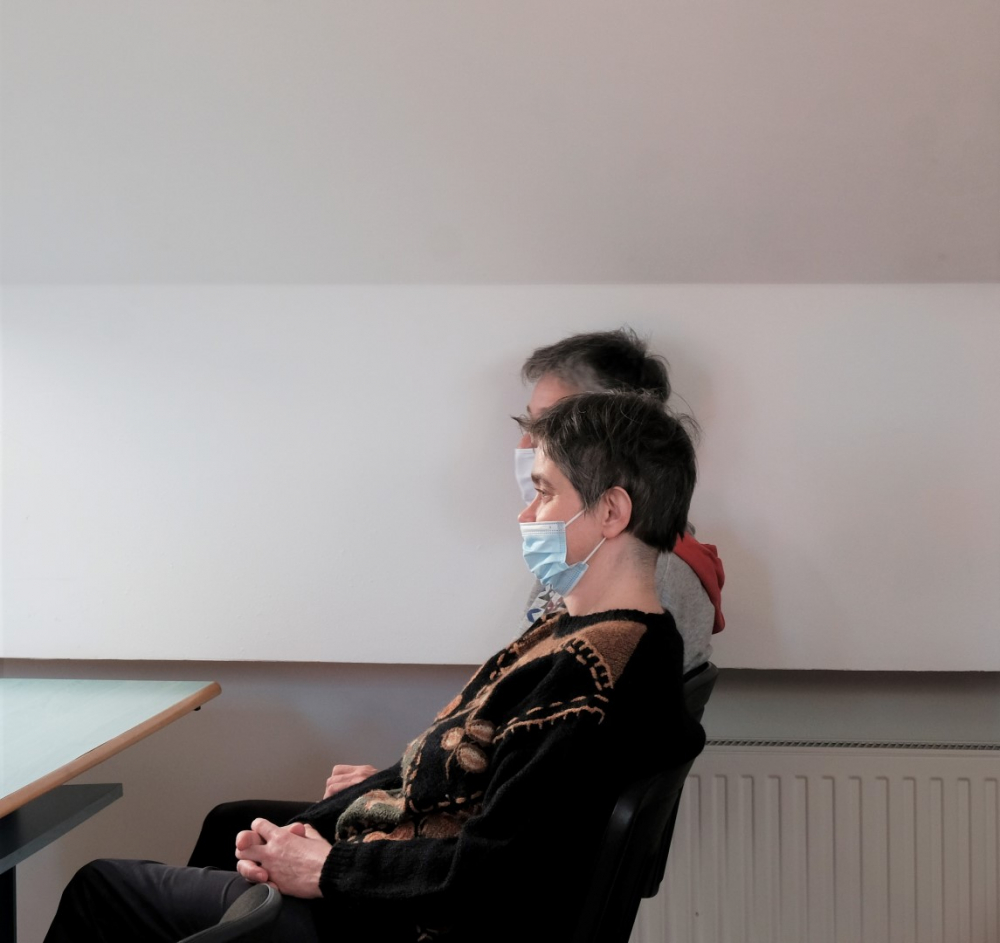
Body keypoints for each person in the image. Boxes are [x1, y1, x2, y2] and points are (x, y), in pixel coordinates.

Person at [45, 391, 706, 943]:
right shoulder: (613, 637)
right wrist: (363, 804)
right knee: (232, 828)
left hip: (406, 925)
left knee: (103, 889)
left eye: (544, 493)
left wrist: (326, 869)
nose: (525, 514)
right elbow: (493, 779)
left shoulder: (588, 675)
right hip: (403, 889)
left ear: (611, 511)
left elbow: (499, 868)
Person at [185, 326, 726, 871]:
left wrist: (355, 844)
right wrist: (401, 783)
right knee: (225, 830)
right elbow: (511, 735)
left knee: (168, 871)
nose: (525, 449)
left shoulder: (632, 607)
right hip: (456, 824)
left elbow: (532, 806)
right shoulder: (585, 593)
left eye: (547, 427)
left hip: (456, 862)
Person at [515, 328, 725, 674]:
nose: (527, 445)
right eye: (530, 423)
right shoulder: (577, 549)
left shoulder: (645, 572)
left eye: (553, 424)